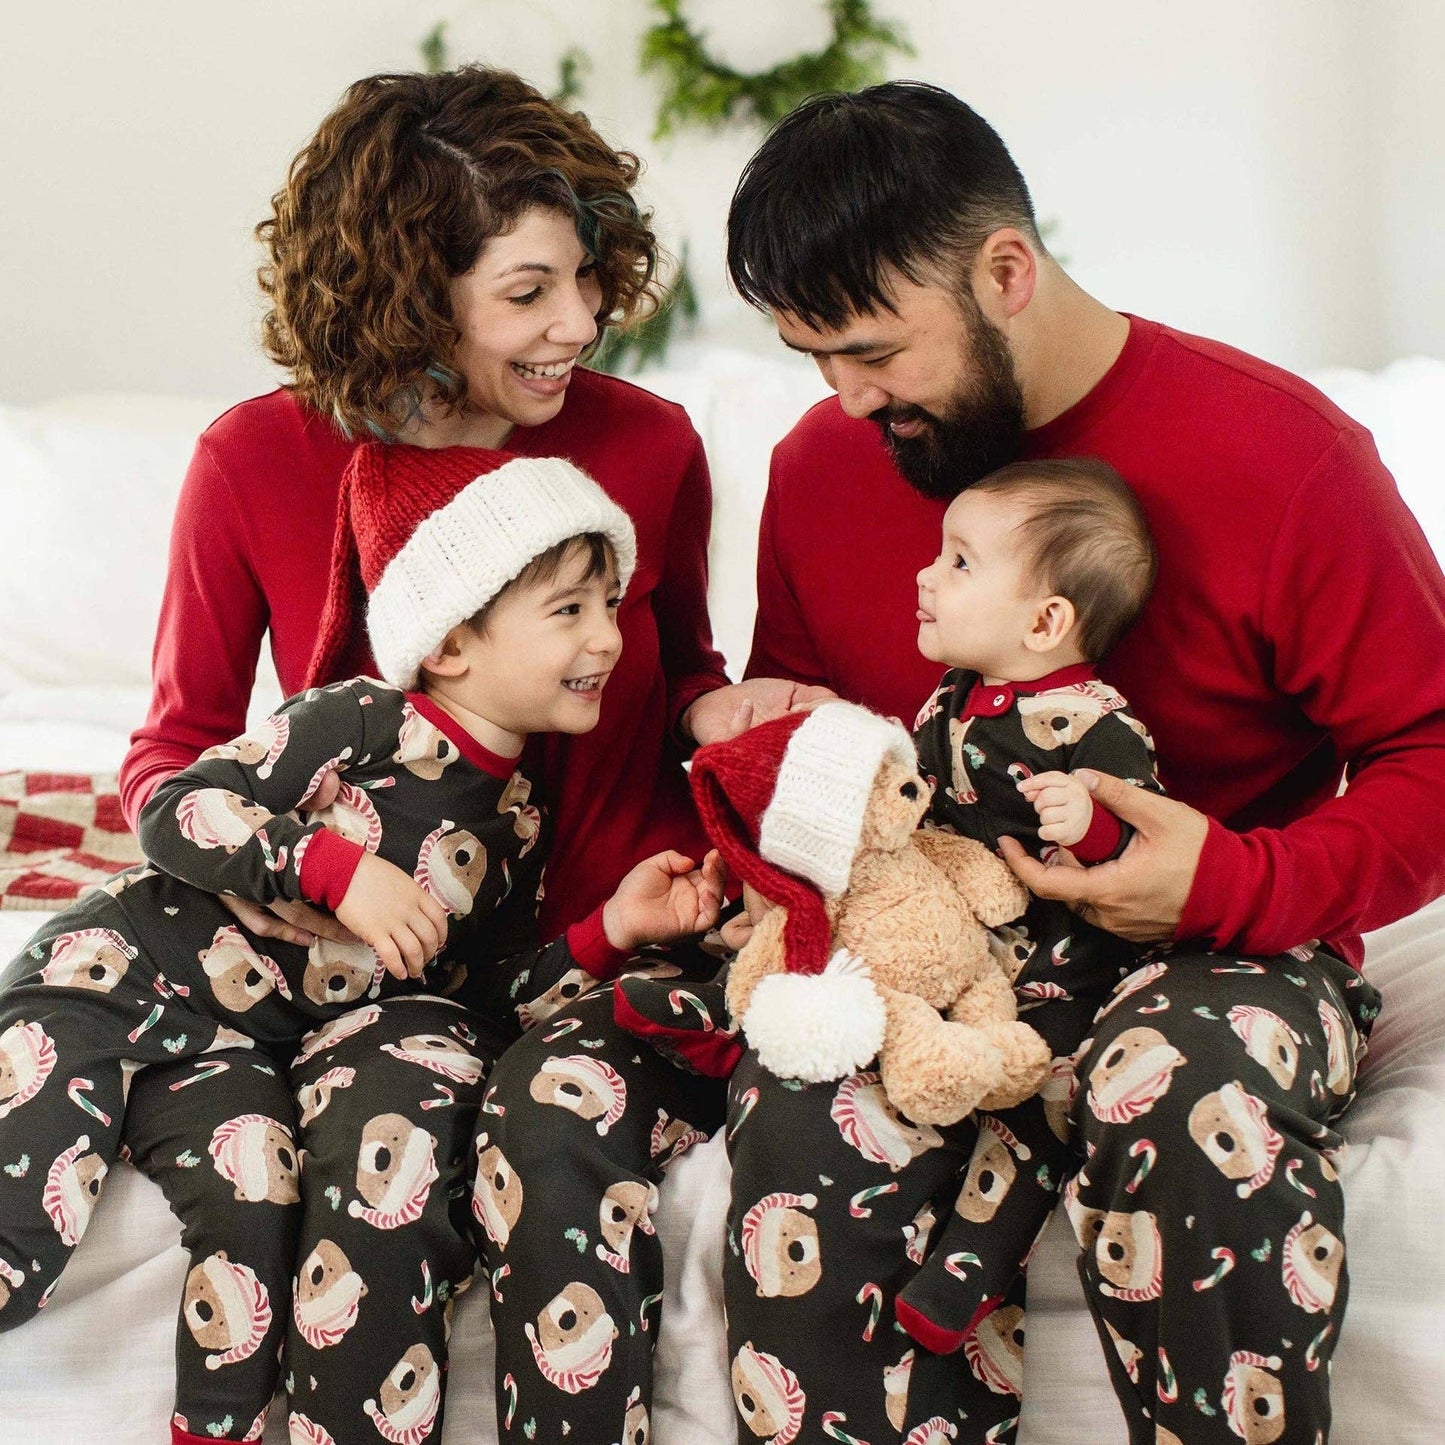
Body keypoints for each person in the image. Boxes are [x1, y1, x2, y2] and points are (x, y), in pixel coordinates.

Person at [721, 80, 1445, 1443]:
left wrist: (1238, 878)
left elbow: (1433, 744)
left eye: (872, 348)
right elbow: (807, 750)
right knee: (799, 1099)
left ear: (1006, 270)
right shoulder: (824, 468)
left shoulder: (1285, 457)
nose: (847, 396)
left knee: (1172, 1083)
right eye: (811, 354)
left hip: (1229, 952)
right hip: (943, 950)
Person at [116, 65, 818, 1442]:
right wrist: (294, 872)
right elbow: (176, 752)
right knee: (364, 1175)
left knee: (556, 1149)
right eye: (528, 293)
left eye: (587, 278)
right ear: (407, 289)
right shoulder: (255, 461)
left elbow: (677, 666)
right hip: (375, 959)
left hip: (604, 937)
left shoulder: (649, 443)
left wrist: (711, 716)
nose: (581, 324)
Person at [0, 443, 726, 1445]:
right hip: (120, 971)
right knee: (21, 1213)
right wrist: (335, 870)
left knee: (255, 1202)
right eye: (570, 609)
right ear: (454, 641)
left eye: (609, 604)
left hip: (236, 1048)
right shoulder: (361, 719)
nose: (606, 635)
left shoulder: (515, 817)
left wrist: (612, 931)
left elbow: (478, 990)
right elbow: (177, 805)